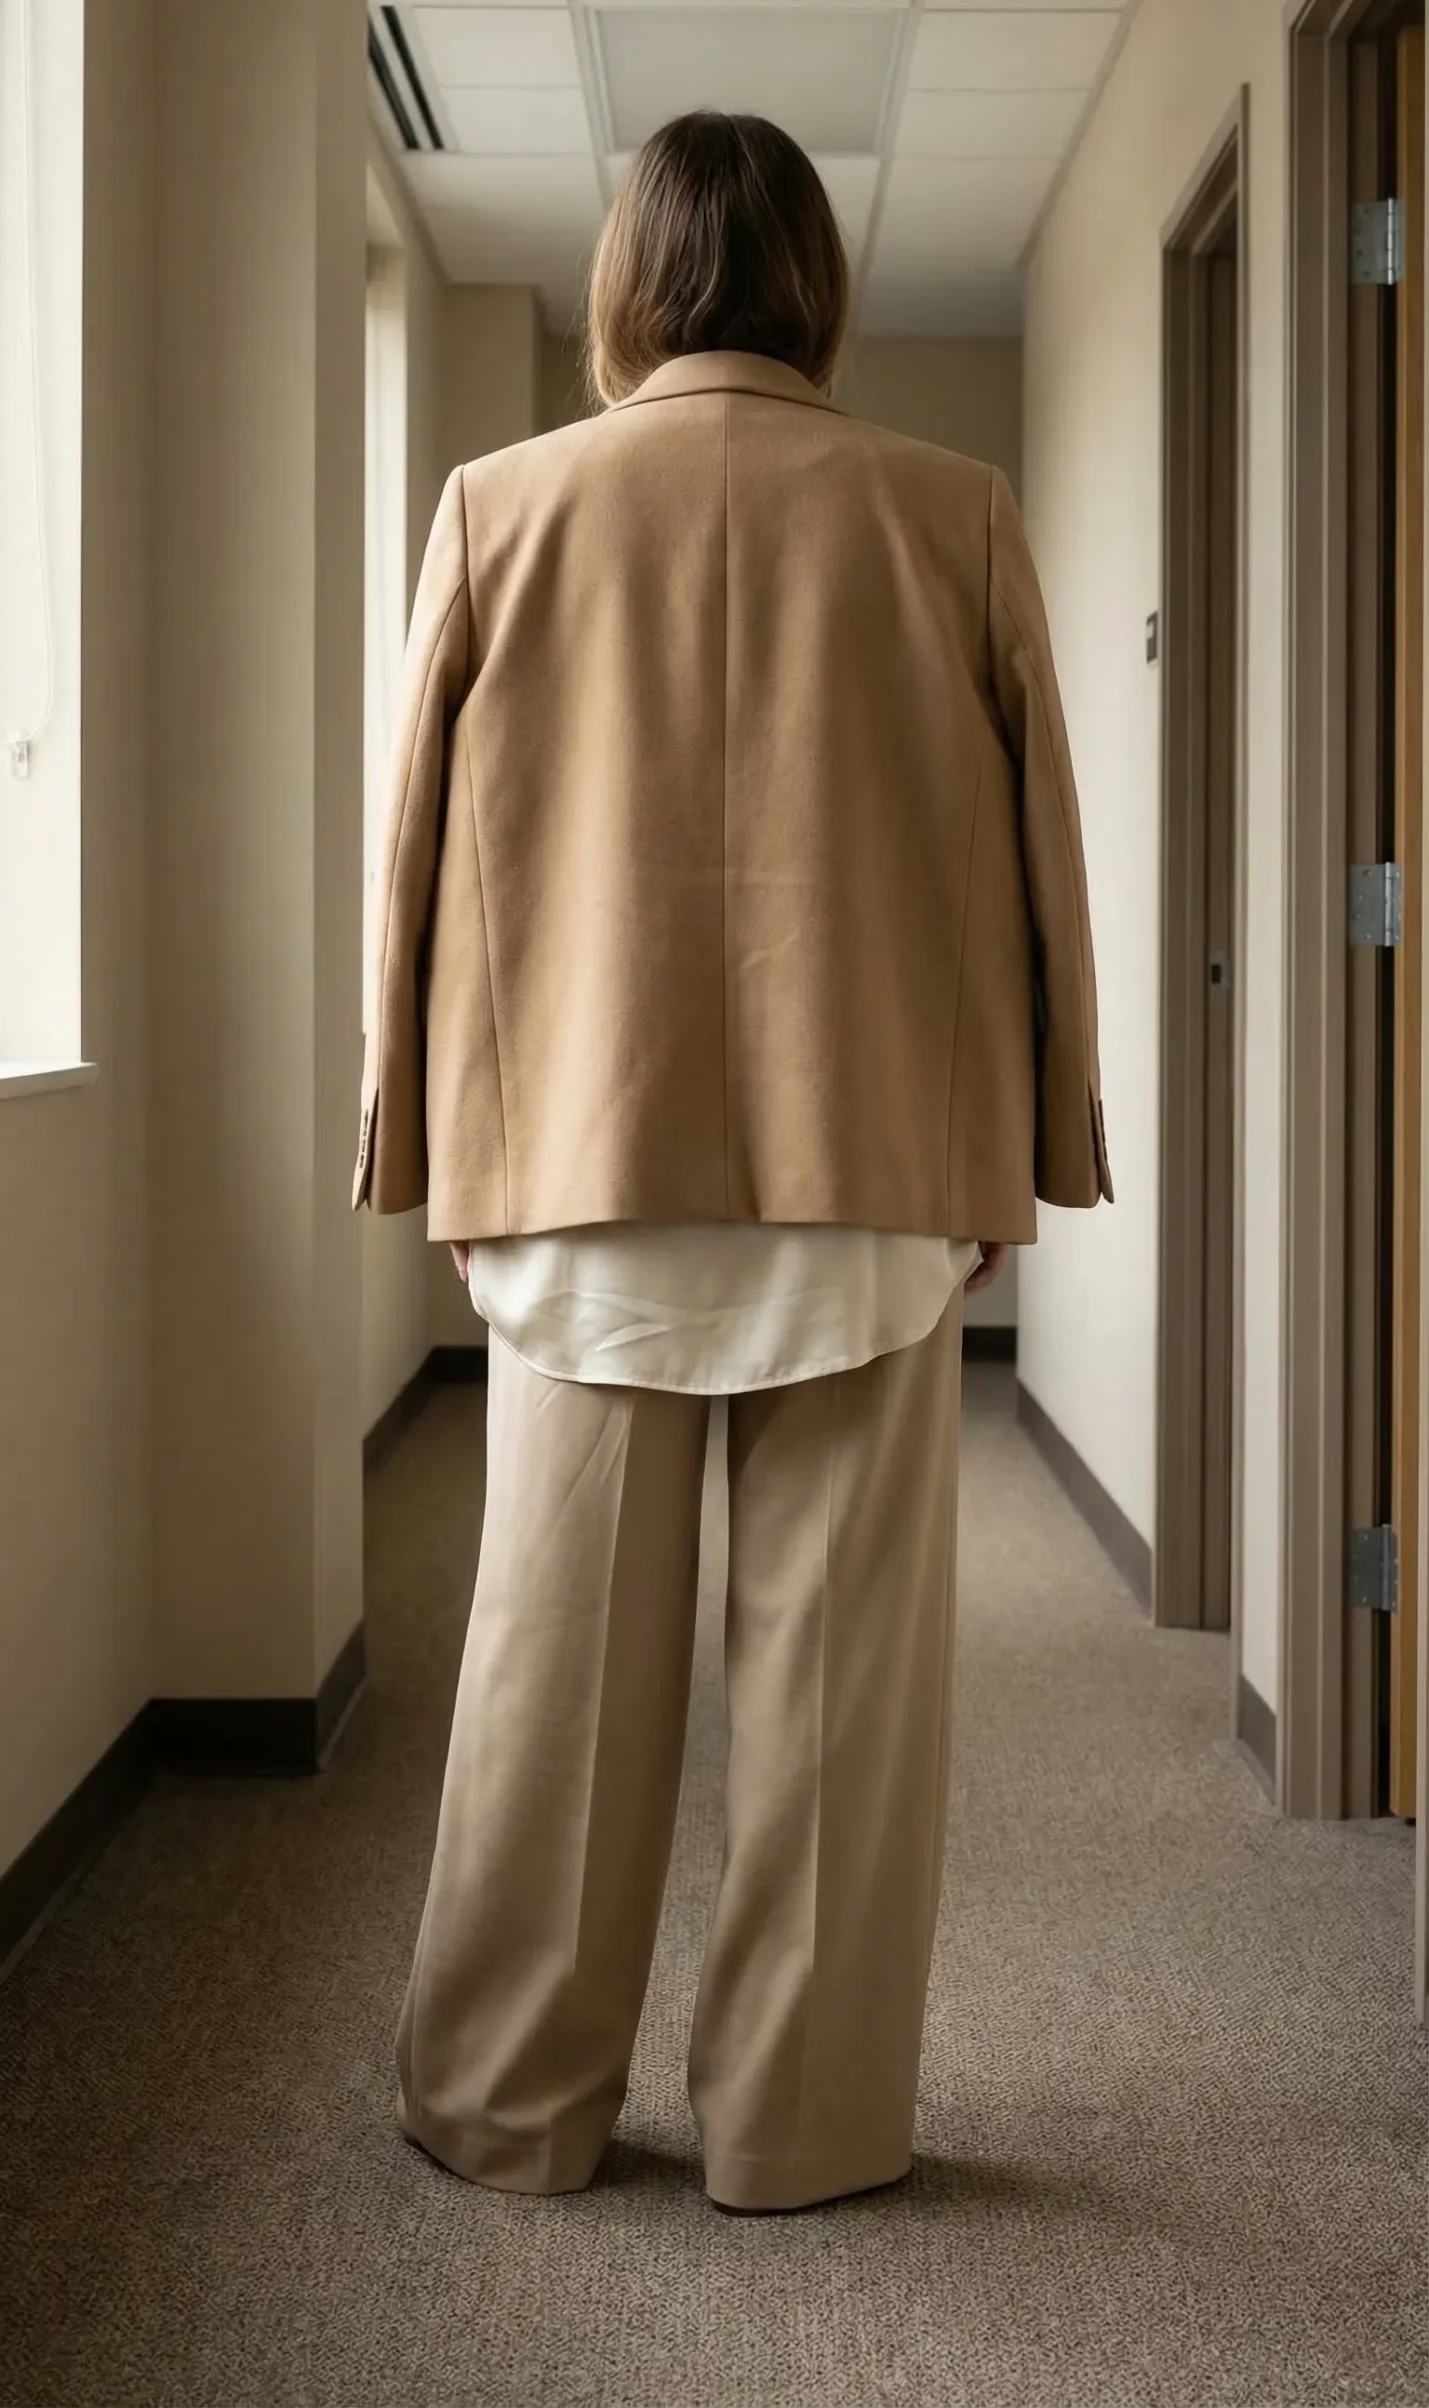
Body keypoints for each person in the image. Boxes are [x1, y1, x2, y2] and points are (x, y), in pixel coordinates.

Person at [355, 112, 1111, 2215]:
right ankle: (803, 2123)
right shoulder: (948, 512)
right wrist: (1027, 1142)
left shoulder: (499, 506)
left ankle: (513, 2099)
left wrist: (418, 1143)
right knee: (840, 1702)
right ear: (816, 280)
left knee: (545, 1689)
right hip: (864, 1176)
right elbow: (1040, 850)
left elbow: (407, 855)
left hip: (577, 1177)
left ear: (624, 277)